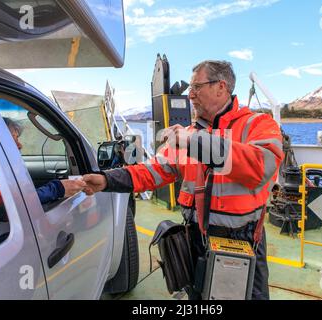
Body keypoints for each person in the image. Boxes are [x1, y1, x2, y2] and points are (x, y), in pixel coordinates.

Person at [82, 60, 284, 300]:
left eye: (196, 87)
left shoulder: (257, 124)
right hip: (196, 242)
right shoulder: (189, 134)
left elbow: (260, 166)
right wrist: (106, 180)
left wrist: (195, 142)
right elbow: (153, 170)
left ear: (221, 87)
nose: (190, 95)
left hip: (242, 243)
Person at [4, 117, 85, 204]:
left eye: (17, 139)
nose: (20, 145)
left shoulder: (3, 172)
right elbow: (17, 203)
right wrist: (57, 189)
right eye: (13, 140)